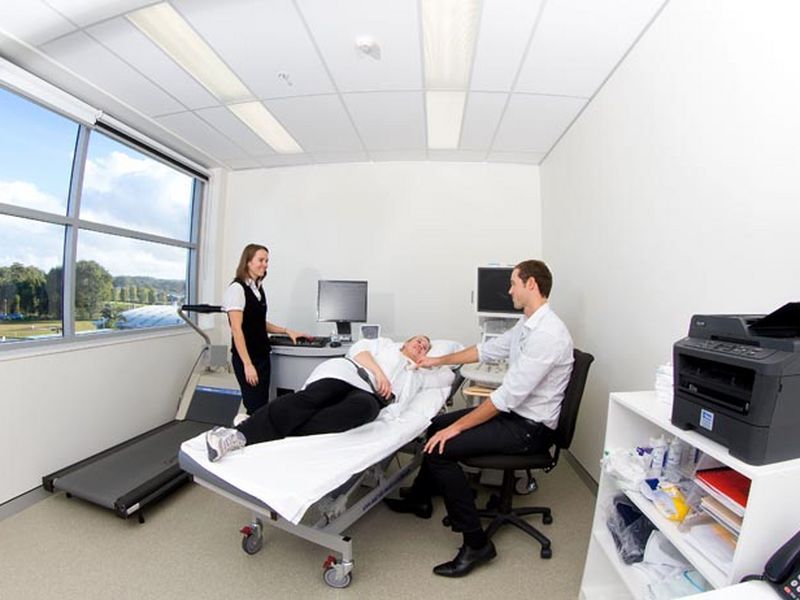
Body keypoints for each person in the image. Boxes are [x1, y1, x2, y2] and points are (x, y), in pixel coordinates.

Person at [385, 259, 574, 578]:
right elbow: (487, 350)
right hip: (516, 415)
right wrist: (437, 361)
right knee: (436, 425)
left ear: (531, 285)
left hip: (530, 429)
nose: (509, 290)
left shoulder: (549, 335)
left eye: (513, 283)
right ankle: (420, 498)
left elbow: (505, 398)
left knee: (441, 448)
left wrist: (457, 428)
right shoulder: (527, 324)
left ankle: (476, 544)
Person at [205, 334, 433, 462]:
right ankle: (239, 435)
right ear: (406, 342)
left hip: (370, 395)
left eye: (425, 347)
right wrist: (380, 374)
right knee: (313, 398)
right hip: (350, 372)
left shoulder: (416, 374)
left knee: (356, 412)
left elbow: (404, 400)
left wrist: (424, 367)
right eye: (419, 340)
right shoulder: (385, 345)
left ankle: (264, 426)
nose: (421, 345)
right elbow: (358, 351)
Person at [223, 244, 309, 415]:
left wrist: (286, 331)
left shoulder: (257, 288)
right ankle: (244, 431)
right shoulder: (237, 289)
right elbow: (237, 330)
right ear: (248, 262)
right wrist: (248, 365)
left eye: (267, 261)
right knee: (255, 407)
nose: (265, 265)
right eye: (261, 260)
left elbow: (258, 322)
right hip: (248, 358)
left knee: (262, 405)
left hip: (262, 355)